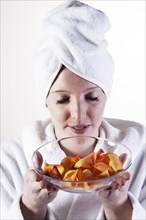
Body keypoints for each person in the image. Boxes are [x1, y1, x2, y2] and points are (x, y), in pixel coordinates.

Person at [1, 0, 145, 219]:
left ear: (106, 96)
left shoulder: (140, 152)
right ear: (46, 100)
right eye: (62, 100)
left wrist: (118, 206)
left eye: (92, 97)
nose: (78, 114)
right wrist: (31, 206)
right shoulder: (10, 159)